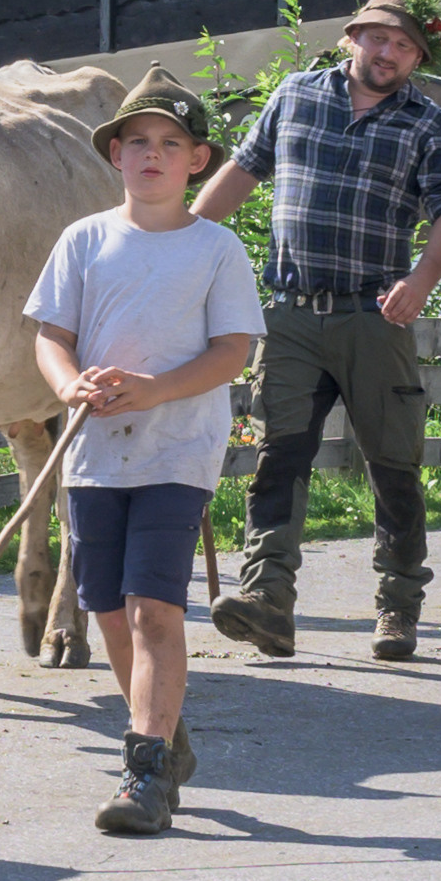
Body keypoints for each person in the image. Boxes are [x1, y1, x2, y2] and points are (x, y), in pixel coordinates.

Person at [191, 0, 441, 662]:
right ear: (353, 37)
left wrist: (421, 281)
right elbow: (239, 174)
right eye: (379, 38)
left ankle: (398, 604)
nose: (389, 52)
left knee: (393, 465)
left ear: (418, 57)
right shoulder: (294, 95)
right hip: (291, 314)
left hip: (375, 316)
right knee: (278, 458)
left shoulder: (429, 123)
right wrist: (178, 247)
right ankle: (268, 599)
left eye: (404, 45)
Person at [27, 67, 262, 834]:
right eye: (137, 142)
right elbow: (51, 336)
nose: (152, 154)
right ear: (115, 155)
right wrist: (67, 383)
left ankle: (145, 773)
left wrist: (156, 389)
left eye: (170, 142)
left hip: (178, 449)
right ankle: (164, 732)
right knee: (106, 609)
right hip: (95, 451)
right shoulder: (83, 240)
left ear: (198, 160)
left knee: (153, 607)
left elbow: (232, 352)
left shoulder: (216, 249)